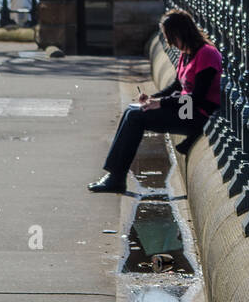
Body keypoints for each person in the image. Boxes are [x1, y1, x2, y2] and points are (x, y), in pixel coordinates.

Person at [88, 10, 222, 193]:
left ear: (181, 33)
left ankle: (116, 177)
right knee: (132, 110)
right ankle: (114, 174)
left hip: (197, 113)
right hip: (185, 108)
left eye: (172, 39)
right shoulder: (187, 52)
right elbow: (177, 85)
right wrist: (153, 99)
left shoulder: (206, 54)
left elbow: (196, 97)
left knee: (136, 117)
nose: (171, 44)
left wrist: (161, 103)